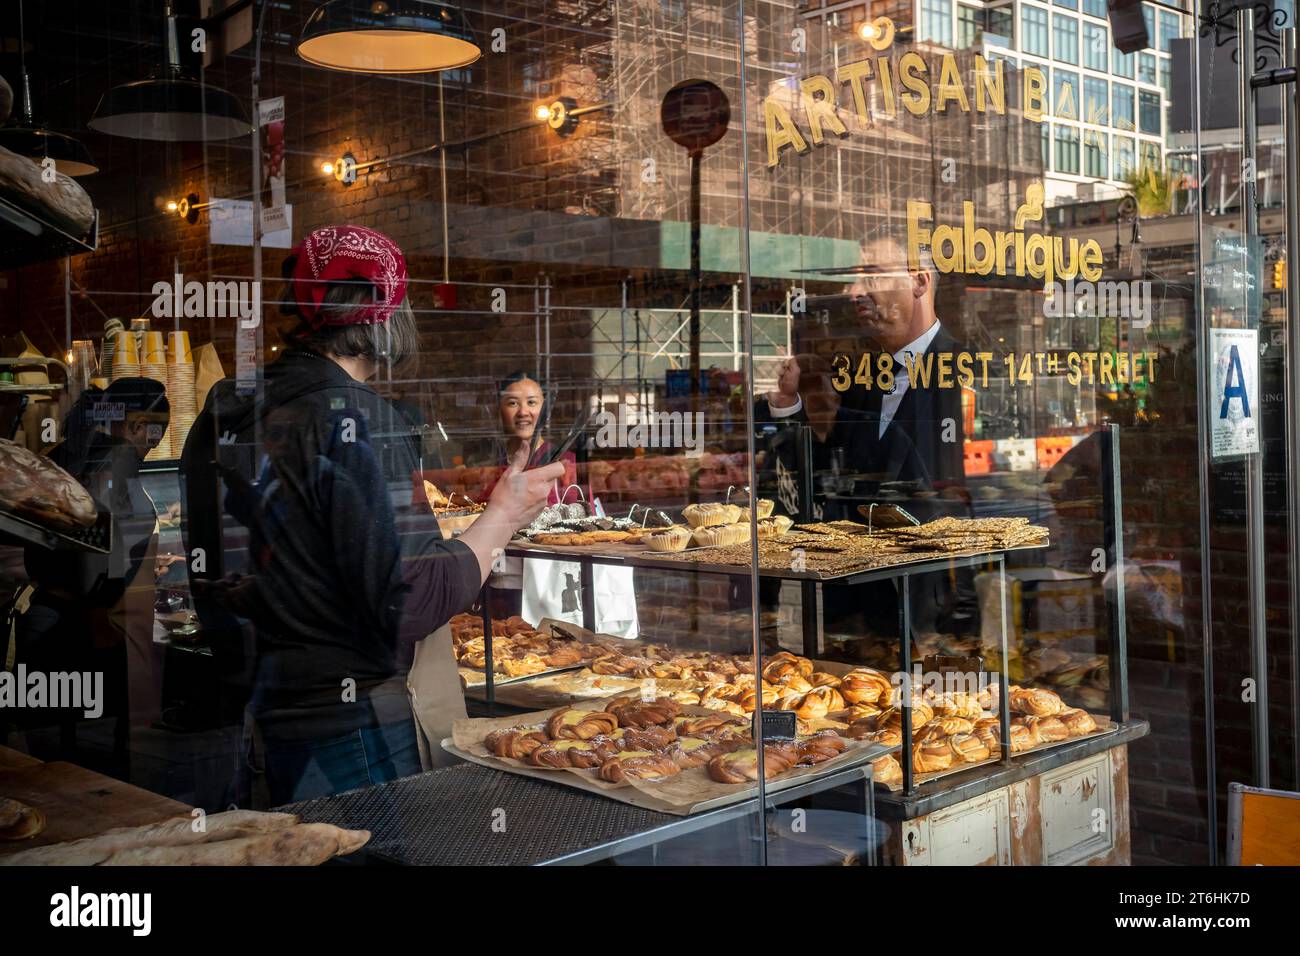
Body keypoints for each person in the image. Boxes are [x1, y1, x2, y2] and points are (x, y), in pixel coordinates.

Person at [181, 225, 562, 805]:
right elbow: (401, 602)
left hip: (261, 713)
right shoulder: (360, 419)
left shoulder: (228, 411)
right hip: (353, 726)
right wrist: (503, 516)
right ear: (385, 314)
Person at [14, 377, 170, 769]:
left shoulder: (67, 451)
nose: (155, 443)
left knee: (52, 767)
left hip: (51, 620)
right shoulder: (115, 462)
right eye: (156, 431)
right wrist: (103, 611)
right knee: (94, 769)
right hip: (88, 630)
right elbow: (95, 553)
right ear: (135, 425)